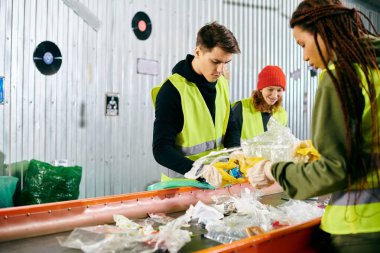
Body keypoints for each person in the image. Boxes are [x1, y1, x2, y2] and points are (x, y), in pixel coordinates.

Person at [247, 0, 380, 252]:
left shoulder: (341, 76)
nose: (305, 56)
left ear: (323, 32)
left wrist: (271, 170)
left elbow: (334, 170)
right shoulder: (374, 69)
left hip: (360, 223)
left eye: (303, 44)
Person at [151, 21, 241, 176]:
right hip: (185, 182)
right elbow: (161, 149)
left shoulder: (221, 83)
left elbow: (230, 123)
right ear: (198, 52)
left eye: (226, 63)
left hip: (220, 178)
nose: (220, 70)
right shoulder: (172, 90)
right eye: (215, 61)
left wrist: (235, 151)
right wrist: (201, 171)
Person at [232, 65, 287, 140]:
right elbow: (230, 142)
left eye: (279, 90)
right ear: (261, 89)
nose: (274, 95)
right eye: (270, 89)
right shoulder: (241, 108)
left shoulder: (282, 113)